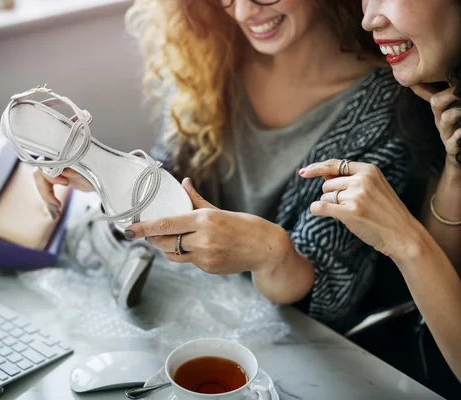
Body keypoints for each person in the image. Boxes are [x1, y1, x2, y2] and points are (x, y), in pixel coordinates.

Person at [34, 0, 410, 331]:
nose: (244, 12)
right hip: (193, 311)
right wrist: (105, 172)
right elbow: (176, 166)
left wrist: (272, 252)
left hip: (296, 344)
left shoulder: (387, 107)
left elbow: (330, 294)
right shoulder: (214, 55)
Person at [299, 0, 461, 395]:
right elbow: (444, 280)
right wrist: (456, 170)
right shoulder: (431, 102)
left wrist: (403, 238)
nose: (370, 18)